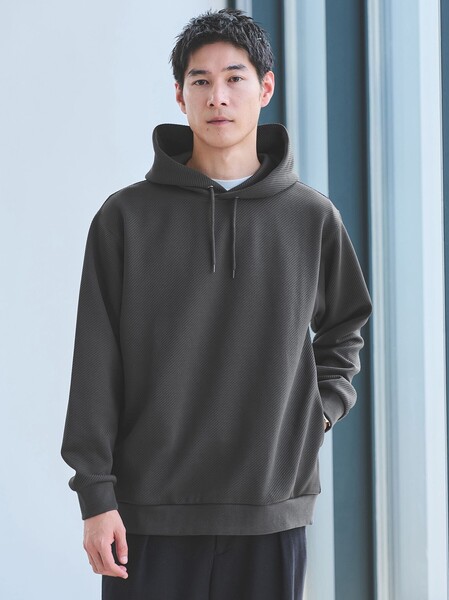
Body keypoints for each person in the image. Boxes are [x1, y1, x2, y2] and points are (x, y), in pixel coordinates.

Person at [60, 8, 372, 600]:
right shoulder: (126, 218)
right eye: (200, 81)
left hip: (271, 510)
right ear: (180, 96)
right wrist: (95, 496)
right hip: (148, 513)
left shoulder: (311, 218)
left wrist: (320, 410)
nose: (218, 97)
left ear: (266, 88)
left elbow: (346, 327)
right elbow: (95, 363)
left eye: (234, 78)